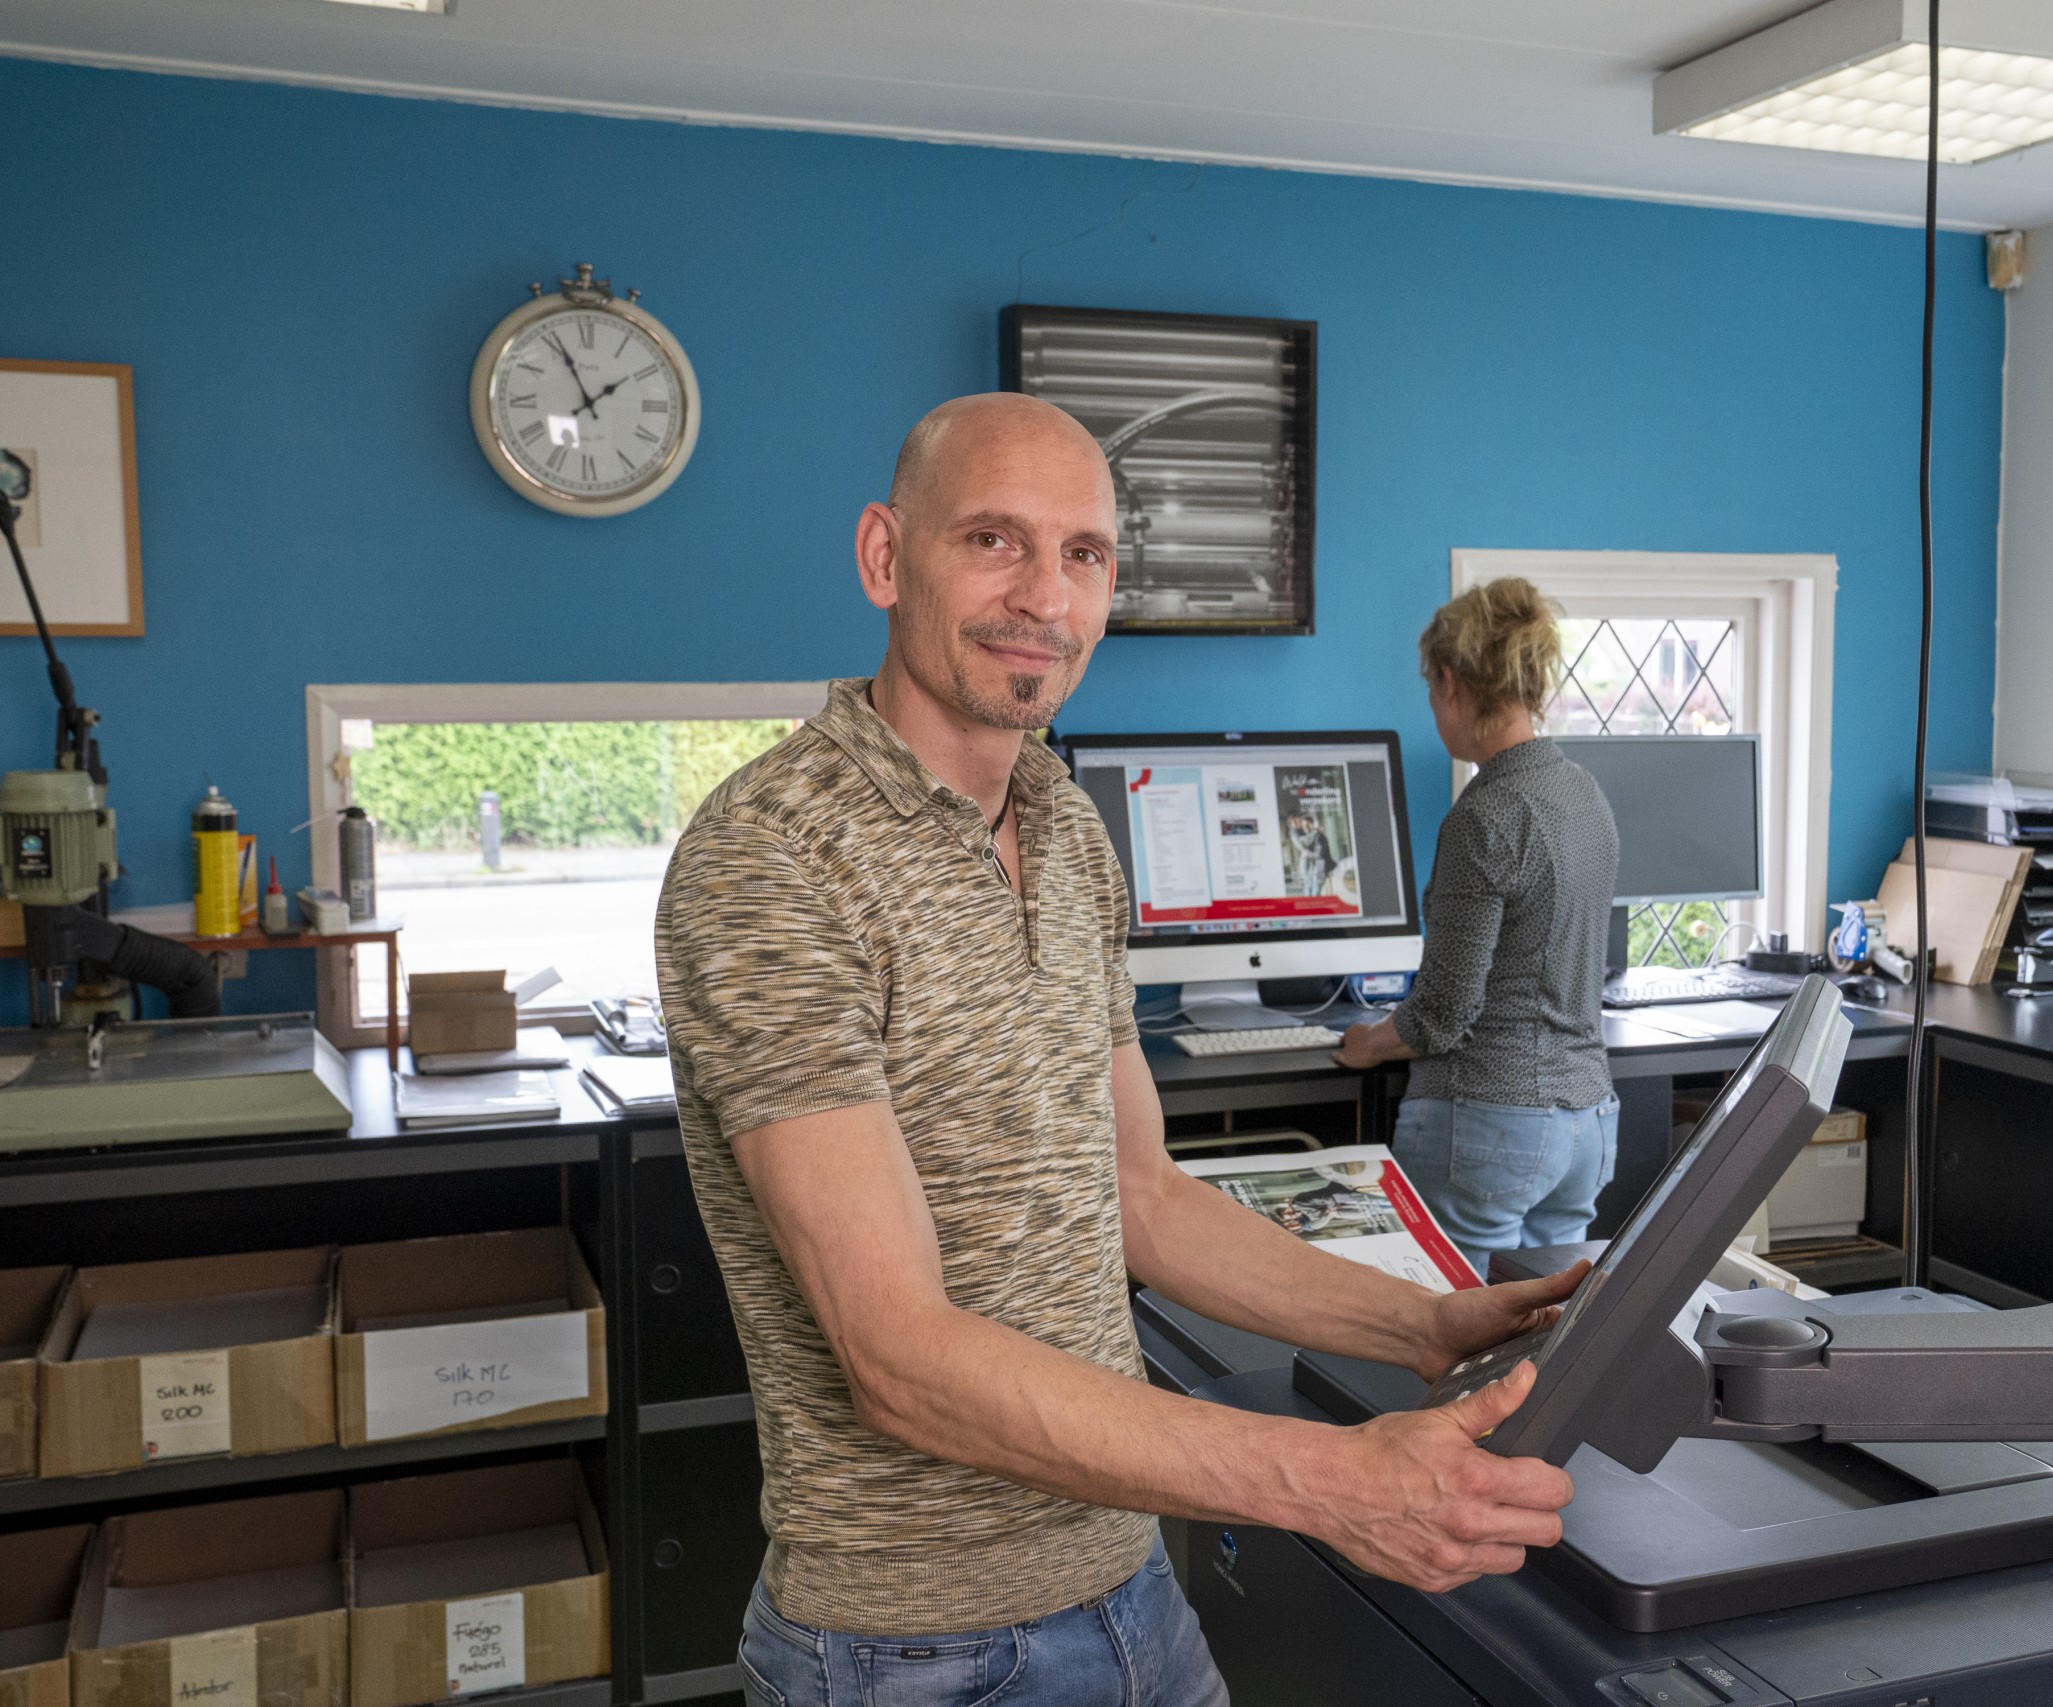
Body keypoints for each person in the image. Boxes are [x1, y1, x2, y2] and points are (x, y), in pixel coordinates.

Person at [654, 395, 1583, 1707]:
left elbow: (1141, 1198)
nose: (1045, 593)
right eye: (993, 537)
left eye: (1083, 553)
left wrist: (1424, 1324)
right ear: (884, 556)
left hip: (1133, 1582)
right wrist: (1332, 1482)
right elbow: (898, 1355)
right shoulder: (772, 857)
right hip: (912, 1649)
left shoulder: (1069, 826)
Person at [1334, 580, 1622, 1274]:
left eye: (1433, 694)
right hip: (1587, 1124)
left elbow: (1442, 1013)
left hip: (1492, 1123)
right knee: (1550, 1340)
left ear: (1452, 682)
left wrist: (1369, 1042)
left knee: (1459, 1329)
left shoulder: (1485, 816)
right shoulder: (1584, 794)